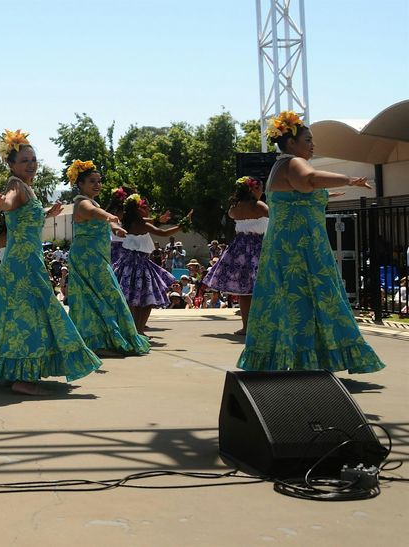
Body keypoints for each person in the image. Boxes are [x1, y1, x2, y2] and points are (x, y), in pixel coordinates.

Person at [0, 130, 100, 395]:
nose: (31, 164)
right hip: (23, 264)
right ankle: (23, 377)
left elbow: (22, 218)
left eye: (33, 159)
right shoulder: (15, 184)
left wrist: (47, 213)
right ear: (11, 165)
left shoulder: (27, 188)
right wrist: (2, 202)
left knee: (10, 315)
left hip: (26, 260)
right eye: (24, 161)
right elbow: (10, 202)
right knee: (30, 316)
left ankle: (13, 369)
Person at [238, 112, 384, 373]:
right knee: (306, 300)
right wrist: (349, 179)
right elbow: (311, 180)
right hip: (300, 249)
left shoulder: (282, 166)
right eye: (308, 139)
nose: (312, 144)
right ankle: (305, 361)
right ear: (291, 143)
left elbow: (306, 189)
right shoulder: (294, 163)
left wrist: (334, 190)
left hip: (291, 246)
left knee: (295, 301)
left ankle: (299, 359)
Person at [64, 160, 150, 356]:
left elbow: (100, 217)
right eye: (92, 181)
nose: (97, 185)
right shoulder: (82, 203)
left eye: (99, 181)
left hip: (95, 258)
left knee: (100, 297)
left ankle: (103, 340)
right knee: (102, 297)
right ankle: (97, 342)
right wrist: (109, 217)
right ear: (81, 184)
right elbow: (94, 213)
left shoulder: (92, 202)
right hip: (87, 259)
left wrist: (115, 227)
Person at [114, 193, 192, 333]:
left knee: (134, 299)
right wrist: (182, 224)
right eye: (145, 207)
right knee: (144, 300)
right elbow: (164, 233)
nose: (148, 208)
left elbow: (151, 221)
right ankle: (138, 330)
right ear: (138, 210)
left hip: (129, 263)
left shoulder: (131, 221)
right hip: (139, 265)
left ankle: (134, 330)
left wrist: (158, 219)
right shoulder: (141, 224)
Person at [202, 177, 268, 335]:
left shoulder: (235, 208)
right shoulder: (260, 206)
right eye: (260, 189)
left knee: (245, 293)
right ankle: (262, 327)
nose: (262, 192)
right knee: (263, 290)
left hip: (239, 250)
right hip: (259, 248)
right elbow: (276, 218)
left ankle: (246, 327)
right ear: (252, 190)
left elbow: (231, 215)